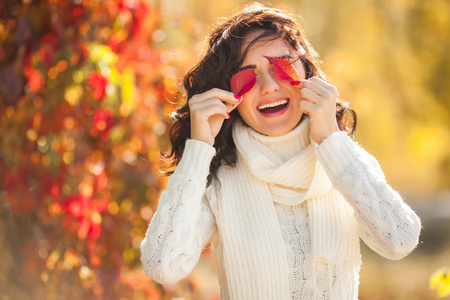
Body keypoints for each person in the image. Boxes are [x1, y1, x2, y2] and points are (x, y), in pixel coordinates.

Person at [140, 3, 421, 299]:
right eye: (247, 75)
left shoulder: (345, 161)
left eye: (281, 65)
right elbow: (163, 265)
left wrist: (331, 141)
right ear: (228, 93)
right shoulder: (219, 179)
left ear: (307, 71)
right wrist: (198, 149)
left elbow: (399, 240)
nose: (269, 86)